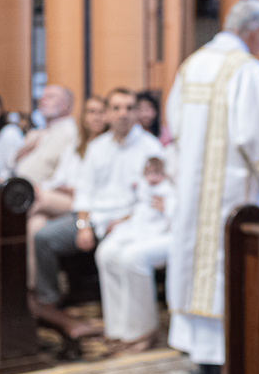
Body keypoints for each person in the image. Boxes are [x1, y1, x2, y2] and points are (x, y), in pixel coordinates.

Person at [165, 0, 259, 374]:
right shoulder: (250, 72)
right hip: (233, 192)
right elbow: (258, 136)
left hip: (194, 188)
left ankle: (204, 356)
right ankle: (226, 357)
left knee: (196, 259)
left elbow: (175, 123)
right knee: (224, 262)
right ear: (254, 30)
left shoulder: (192, 65)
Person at [30, 88, 162, 341]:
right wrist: (83, 225)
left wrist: (124, 221)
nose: (123, 114)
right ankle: (49, 304)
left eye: (129, 108)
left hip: (129, 221)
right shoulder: (98, 147)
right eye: (117, 108)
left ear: (135, 112)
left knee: (113, 255)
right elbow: (85, 192)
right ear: (109, 114)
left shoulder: (150, 147)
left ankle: (129, 329)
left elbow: (153, 197)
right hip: (94, 217)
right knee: (44, 237)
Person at [95, 156, 176, 353]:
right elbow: (139, 196)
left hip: (171, 226)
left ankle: (143, 330)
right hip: (143, 223)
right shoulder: (164, 154)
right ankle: (117, 329)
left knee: (132, 257)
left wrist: (169, 208)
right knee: (106, 253)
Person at [26, 94, 108, 234]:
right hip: (62, 198)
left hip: (84, 201)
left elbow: (100, 187)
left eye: (101, 113)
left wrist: (71, 189)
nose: (96, 117)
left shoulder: (108, 147)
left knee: (38, 199)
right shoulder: (74, 147)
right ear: (83, 116)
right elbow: (58, 177)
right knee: (35, 223)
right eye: (91, 112)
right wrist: (55, 187)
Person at [14, 85, 77, 186]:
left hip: (42, 194)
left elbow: (62, 178)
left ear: (66, 105)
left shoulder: (70, 133)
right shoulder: (38, 133)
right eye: (42, 98)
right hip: (18, 186)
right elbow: (12, 163)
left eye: (50, 97)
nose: (43, 101)